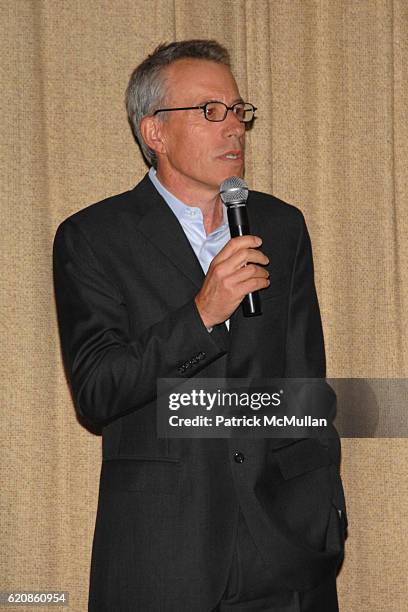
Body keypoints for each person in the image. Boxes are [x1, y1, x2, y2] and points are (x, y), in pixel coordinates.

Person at [53, 40, 347, 611]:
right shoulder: (93, 237)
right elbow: (97, 390)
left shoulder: (280, 226)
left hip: (284, 544)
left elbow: (303, 378)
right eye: (211, 111)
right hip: (165, 548)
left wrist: (321, 505)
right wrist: (201, 315)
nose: (233, 128)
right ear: (154, 132)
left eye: (238, 111)